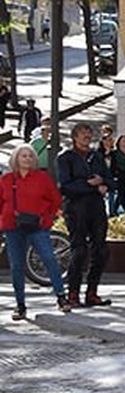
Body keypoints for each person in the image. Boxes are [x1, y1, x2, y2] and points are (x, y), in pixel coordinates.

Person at [1, 145, 69, 318]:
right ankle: (20, 305)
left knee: (49, 258)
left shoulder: (42, 178)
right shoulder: (6, 179)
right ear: (16, 159)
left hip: (37, 226)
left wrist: (47, 218)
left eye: (30, 156)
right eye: (23, 156)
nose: (27, 159)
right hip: (12, 226)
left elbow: (55, 199)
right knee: (16, 266)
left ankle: (61, 297)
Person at [56, 121, 111, 307]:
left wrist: (103, 182)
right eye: (83, 133)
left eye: (89, 133)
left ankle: (92, 292)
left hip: (96, 207)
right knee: (79, 251)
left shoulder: (96, 156)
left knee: (101, 251)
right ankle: (73, 293)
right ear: (74, 137)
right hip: (76, 208)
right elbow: (65, 186)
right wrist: (90, 185)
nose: (87, 137)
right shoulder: (65, 157)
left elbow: (110, 179)